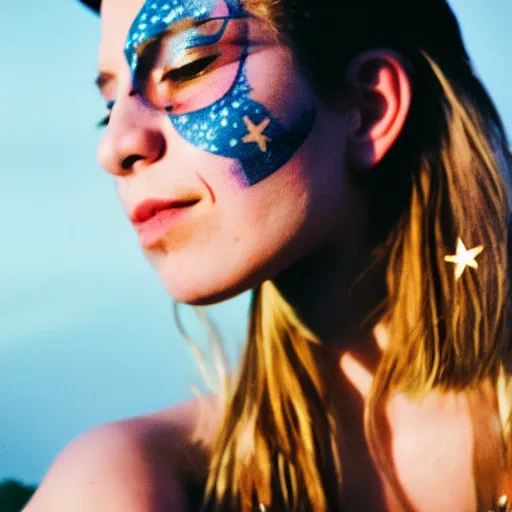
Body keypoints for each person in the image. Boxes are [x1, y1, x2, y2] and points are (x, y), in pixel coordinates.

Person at [24, 0, 512, 510]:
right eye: (109, 108)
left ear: (369, 106)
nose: (115, 146)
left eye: (187, 67)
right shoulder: (125, 484)